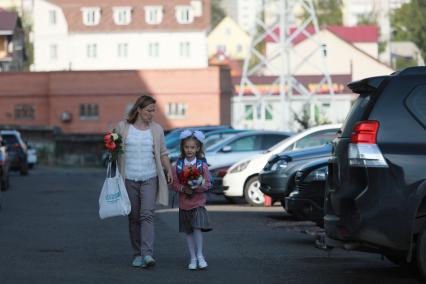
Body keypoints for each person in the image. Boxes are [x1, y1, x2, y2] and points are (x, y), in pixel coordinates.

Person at [115, 95, 173, 268]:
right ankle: (137, 253)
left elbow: (162, 152)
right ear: (139, 109)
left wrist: (168, 169)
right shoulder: (122, 127)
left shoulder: (156, 129)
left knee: (147, 214)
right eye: (149, 110)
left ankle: (147, 254)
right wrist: (111, 147)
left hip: (150, 177)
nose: (152, 114)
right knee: (133, 218)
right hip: (129, 178)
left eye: (154, 110)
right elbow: (113, 150)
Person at [171, 130, 212, 270]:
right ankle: (192, 257)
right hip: (184, 203)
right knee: (188, 231)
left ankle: (200, 255)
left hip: (198, 202)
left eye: (192, 147)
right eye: (187, 147)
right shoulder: (177, 166)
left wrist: (196, 187)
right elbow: (173, 184)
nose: (189, 150)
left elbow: (207, 183)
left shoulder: (202, 166)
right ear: (183, 147)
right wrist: (183, 189)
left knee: (197, 228)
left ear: (198, 148)